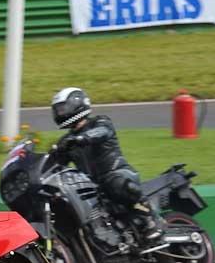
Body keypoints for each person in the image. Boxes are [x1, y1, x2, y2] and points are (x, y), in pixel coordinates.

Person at [50, 87, 163, 245]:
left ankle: (151, 219)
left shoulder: (100, 122)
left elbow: (102, 132)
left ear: (77, 105)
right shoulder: (67, 140)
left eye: (63, 109)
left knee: (114, 183)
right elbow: (55, 163)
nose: (60, 113)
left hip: (118, 173)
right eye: (58, 110)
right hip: (93, 185)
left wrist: (83, 137)